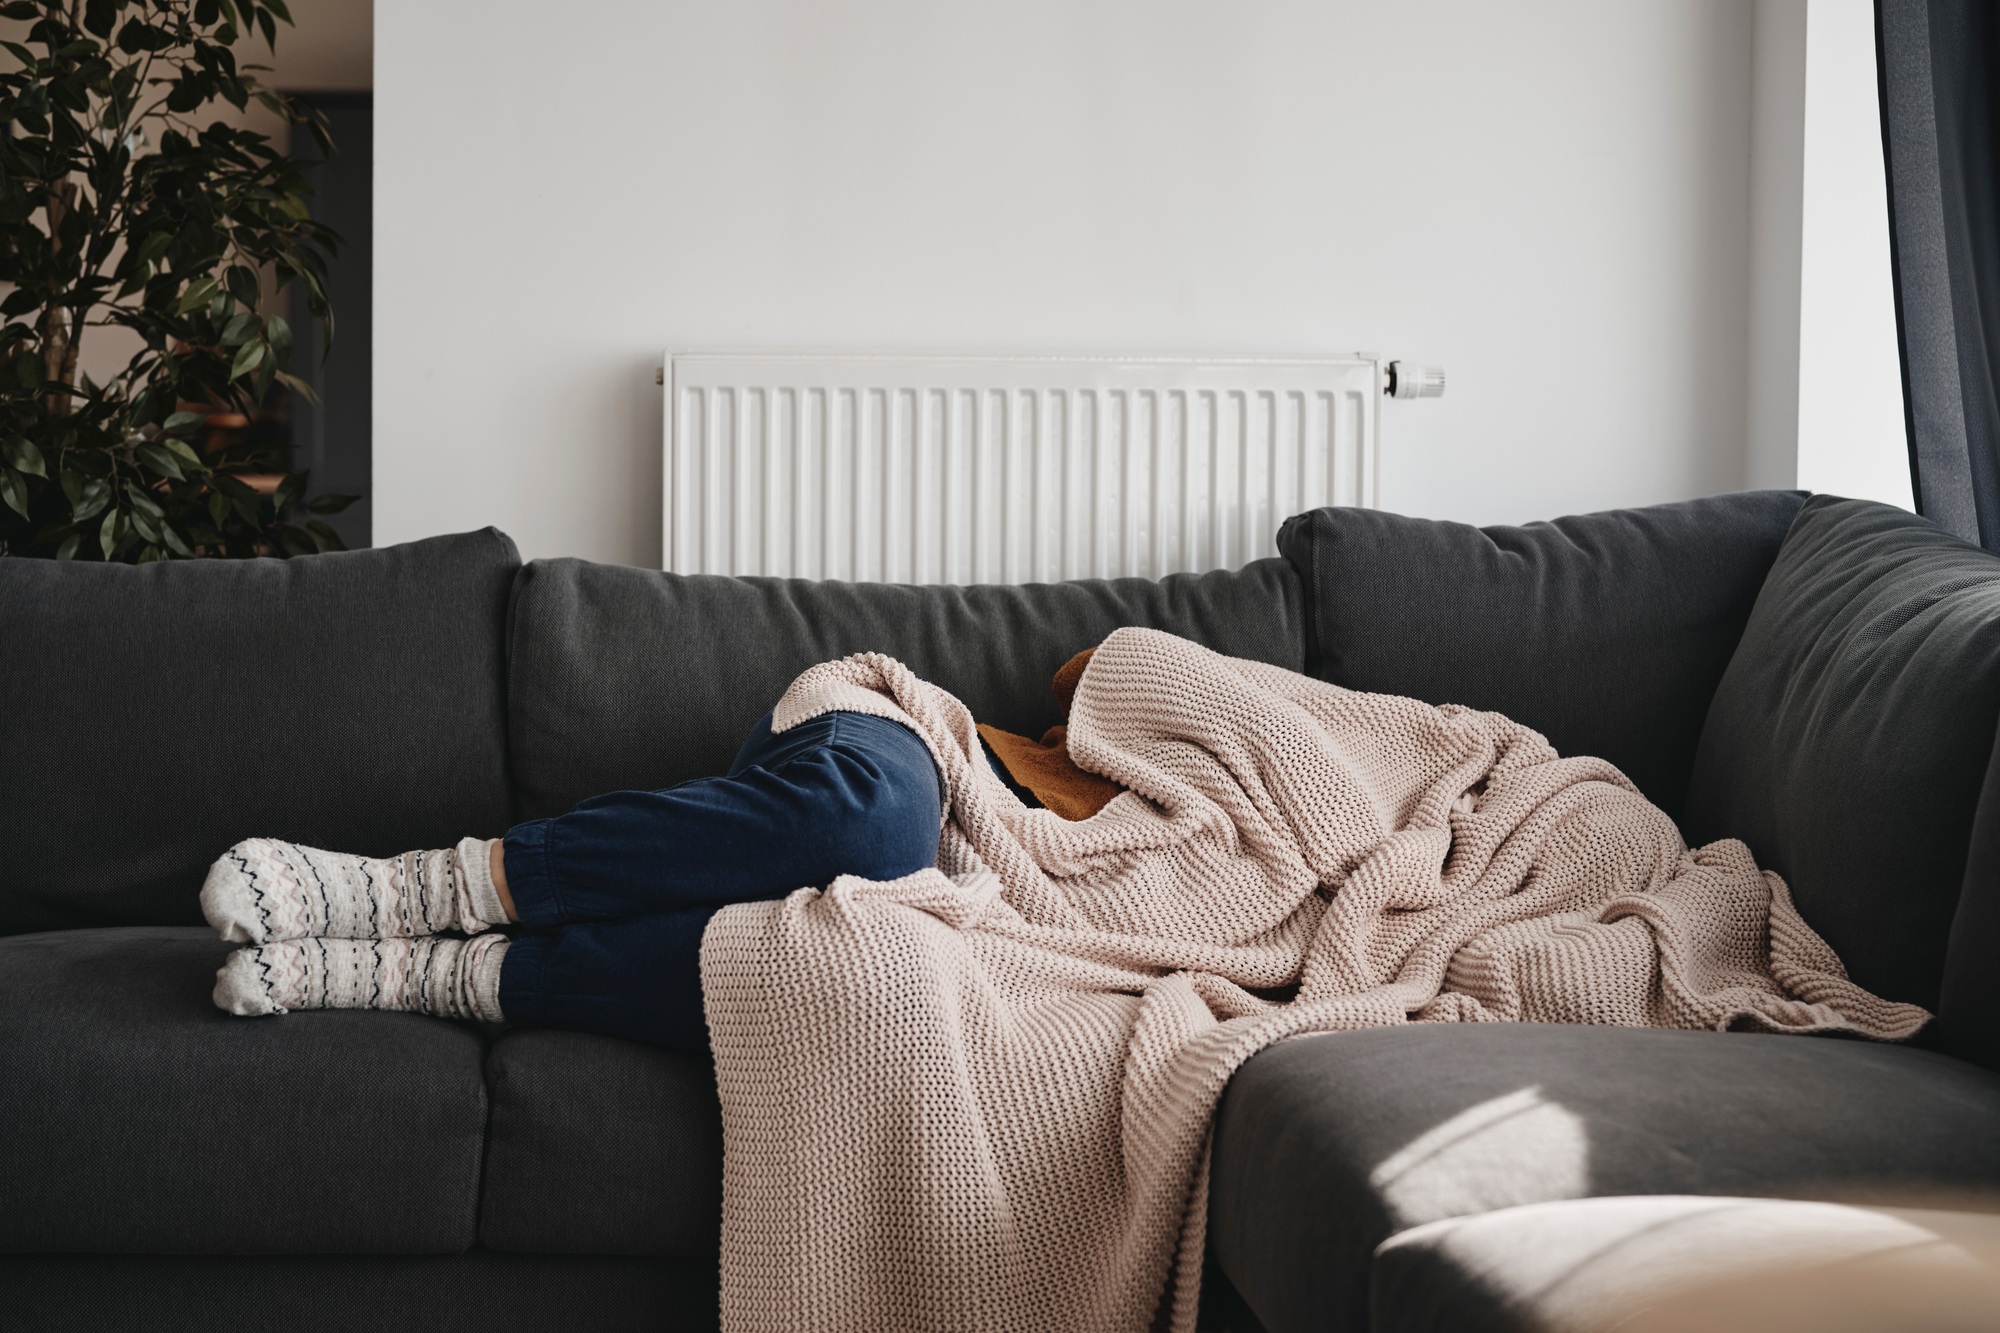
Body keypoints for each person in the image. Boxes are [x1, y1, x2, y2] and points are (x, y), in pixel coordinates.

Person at [204, 706, 948, 1055]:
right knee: (873, 825)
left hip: (1000, 914)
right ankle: (415, 893)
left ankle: (426, 972)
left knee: (859, 972)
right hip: (933, 761)